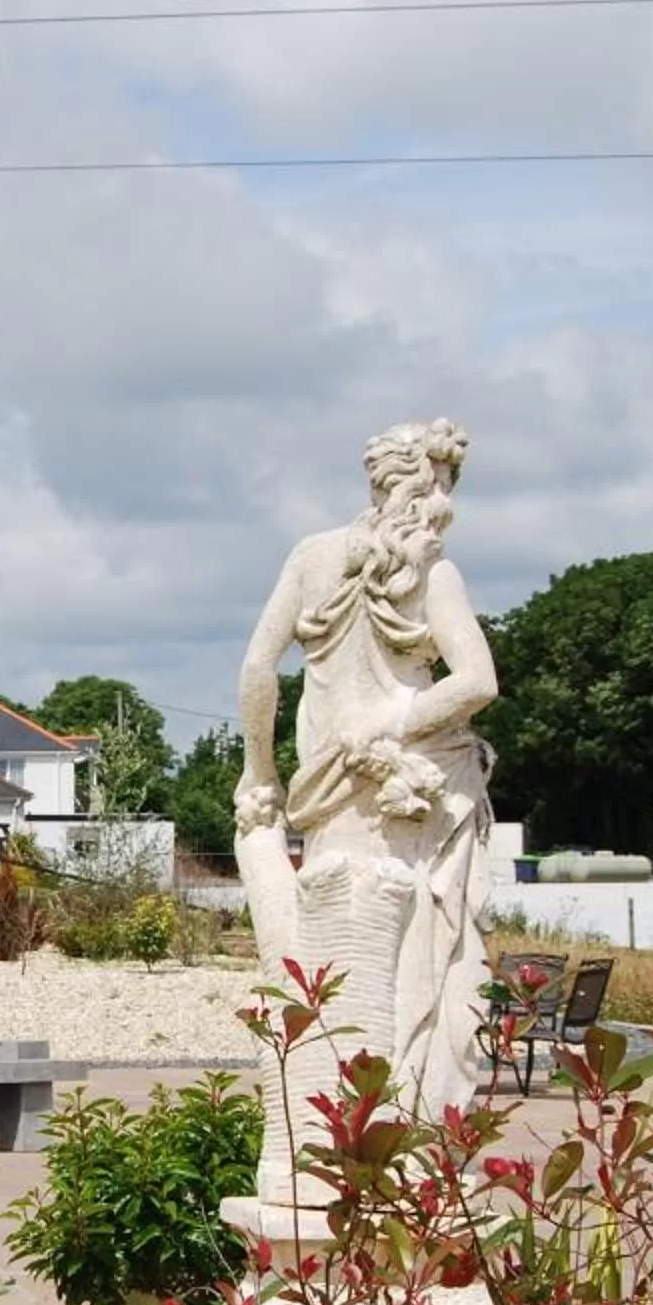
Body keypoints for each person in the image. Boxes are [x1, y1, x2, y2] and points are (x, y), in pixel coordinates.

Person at [231, 420, 497, 1206]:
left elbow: (257, 669)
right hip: (406, 794)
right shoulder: (434, 576)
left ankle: (322, 1151)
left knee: (322, 969)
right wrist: (391, 724)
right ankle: (402, 1153)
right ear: (428, 486)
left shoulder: (311, 557)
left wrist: (260, 771)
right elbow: (476, 682)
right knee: (426, 970)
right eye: (446, 484)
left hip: (325, 792)